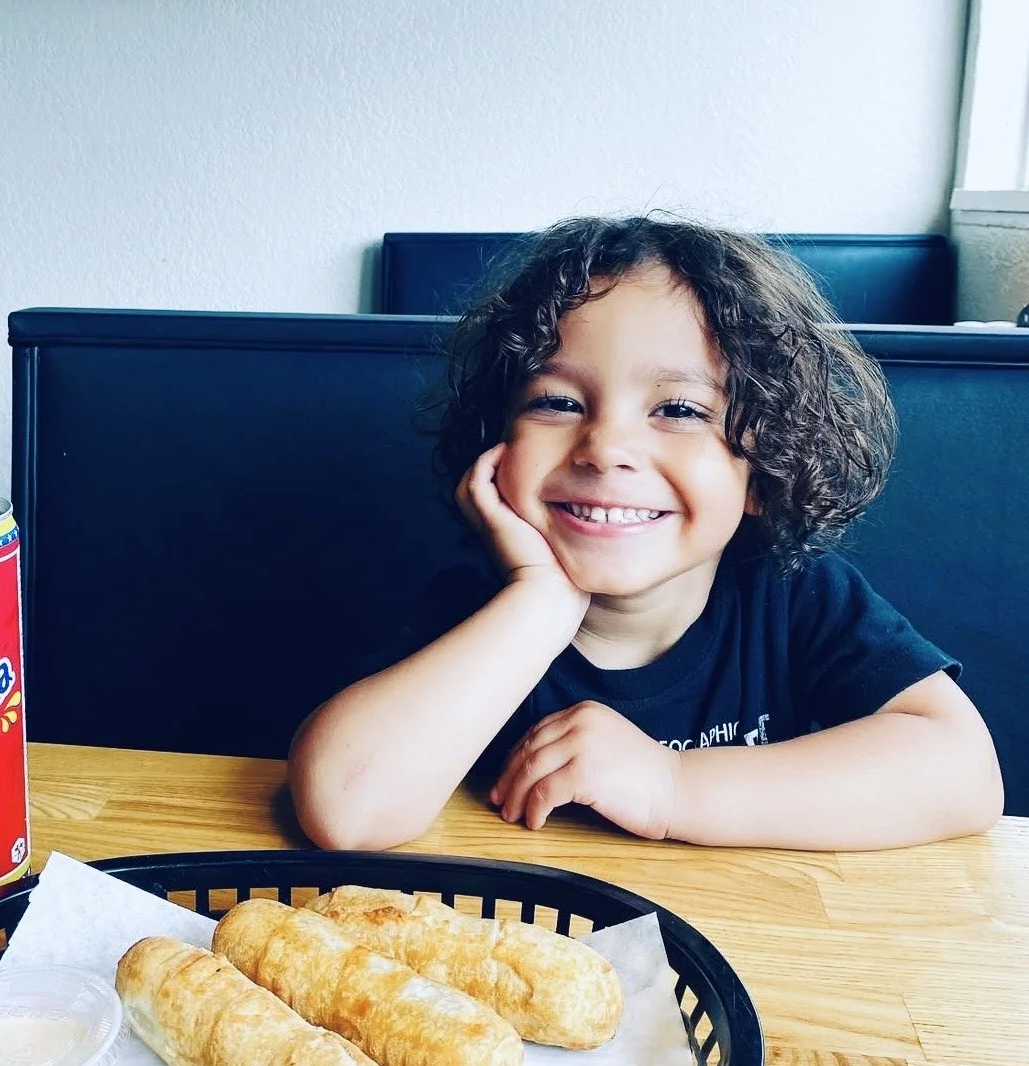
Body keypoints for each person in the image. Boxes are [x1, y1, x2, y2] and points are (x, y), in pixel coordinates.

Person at [288, 217, 1004, 852]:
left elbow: (964, 773)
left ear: (762, 469)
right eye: (558, 401)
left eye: (680, 410)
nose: (605, 446)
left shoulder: (794, 598)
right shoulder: (472, 614)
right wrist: (539, 601)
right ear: (494, 447)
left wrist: (672, 786)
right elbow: (345, 809)